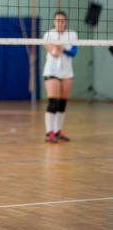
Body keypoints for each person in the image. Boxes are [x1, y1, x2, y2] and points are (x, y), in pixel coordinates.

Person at [43, 11, 78, 143]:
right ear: (54, 21)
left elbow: (73, 52)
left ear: (65, 22)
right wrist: (60, 48)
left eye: (62, 20)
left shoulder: (72, 34)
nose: (60, 23)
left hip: (67, 72)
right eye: (57, 20)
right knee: (53, 102)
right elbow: (54, 53)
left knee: (62, 104)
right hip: (51, 71)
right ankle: (49, 133)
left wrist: (60, 47)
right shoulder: (48, 34)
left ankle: (58, 131)